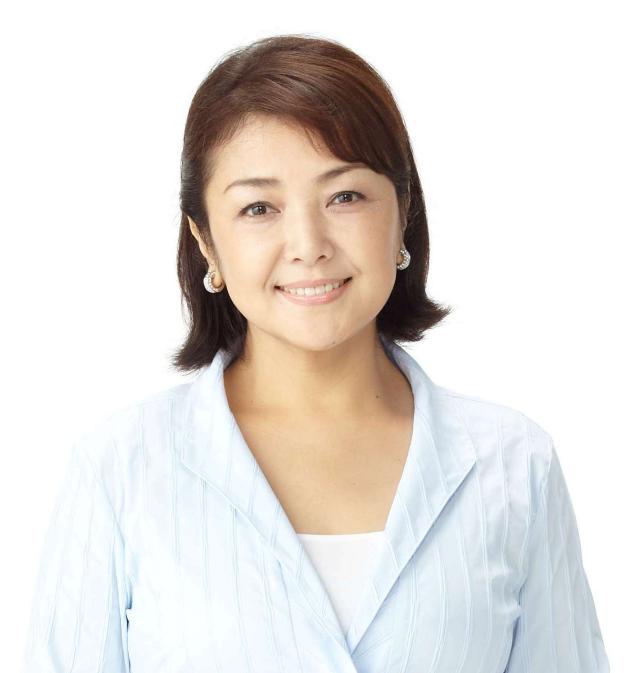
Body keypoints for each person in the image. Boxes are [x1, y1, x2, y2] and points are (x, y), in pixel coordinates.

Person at [21, 34, 610, 673]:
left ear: (403, 212)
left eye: (344, 197)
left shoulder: (514, 464)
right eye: (258, 208)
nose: (308, 244)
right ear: (206, 241)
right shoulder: (120, 469)